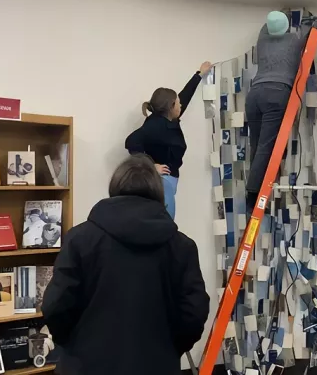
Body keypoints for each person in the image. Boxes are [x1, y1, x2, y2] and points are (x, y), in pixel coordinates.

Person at [43, 154, 209, 375]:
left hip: (85, 365)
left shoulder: (79, 239)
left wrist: (74, 344)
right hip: (157, 365)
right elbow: (194, 313)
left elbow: (55, 305)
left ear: (115, 187)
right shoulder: (182, 246)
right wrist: (168, 348)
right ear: (158, 191)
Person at [125, 61, 212, 219]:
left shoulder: (169, 119)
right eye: (178, 103)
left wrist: (199, 75)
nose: (181, 105)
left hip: (168, 181)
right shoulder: (156, 125)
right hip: (162, 182)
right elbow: (131, 142)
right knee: (165, 223)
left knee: (164, 222)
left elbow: (185, 96)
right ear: (171, 107)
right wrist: (151, 167)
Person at [246, 11, 310, 209]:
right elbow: (308, 29)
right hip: (277, 93)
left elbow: (267, 26)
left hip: (254, 94)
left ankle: (253, 191)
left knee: (256, 145)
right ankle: (253, 195)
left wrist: (280, 14)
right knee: (266, 147)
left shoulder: (262, 39)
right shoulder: (293, 40)